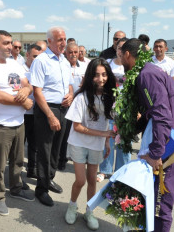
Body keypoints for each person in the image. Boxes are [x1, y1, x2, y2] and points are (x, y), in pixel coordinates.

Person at [120, 38, 174, 231]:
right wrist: (130, 128)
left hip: (171, 149)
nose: (120, 61)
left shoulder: (146, 75)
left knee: (161, 208)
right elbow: (153, 112)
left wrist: (156, 153)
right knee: (151, 203)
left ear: (127, 54)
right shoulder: (149, 71)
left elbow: (162, 114)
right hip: (170, 144)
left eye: (120, 55)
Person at [0, 30, 35, 216]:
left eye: (11, 43)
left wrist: (25, 92)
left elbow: (28, 84)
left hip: (19, 122)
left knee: (18, 161)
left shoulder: (14, 63)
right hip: (1, 124)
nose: (10, 47)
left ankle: (16, 188)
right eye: (5, 43)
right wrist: (23, 101)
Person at [64, 58, 116, 230]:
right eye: (96, 75)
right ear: (89, 76)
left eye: (104, 75)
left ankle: (89, 211)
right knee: (80, 180)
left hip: (97, 144)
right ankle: (72, 206)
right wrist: (103, 134)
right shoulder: (81, 97)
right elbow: (77, 126)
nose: (101, 79)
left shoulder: (110, 97)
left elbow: (108, 122)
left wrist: (107, 142)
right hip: (79, 143)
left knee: (92, 180)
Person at [30, 26, 74, 206]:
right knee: (45, 149)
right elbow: (37, 91)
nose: (63, 43)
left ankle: (49, 178)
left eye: (64, 39)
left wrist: (70, 94)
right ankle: (41, 189)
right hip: (47, 109)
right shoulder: (41, 61)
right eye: (59, 40)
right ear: (49, 41)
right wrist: (50, 115)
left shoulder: (63, 60)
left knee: (57, 147)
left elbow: (70, 85)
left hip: (64, 108)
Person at [97, 37, 131, 183]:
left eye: (123, 48)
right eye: (118, 48)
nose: (120, 51)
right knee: (108, 137)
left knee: (124, 140)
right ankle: (104, 170)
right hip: (110, 106)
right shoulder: (108, 64)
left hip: (126, 107)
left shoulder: (131, 66)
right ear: (115, 49)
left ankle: (122, 171)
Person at [59, 42, 86, 171]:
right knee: (63, 135)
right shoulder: (62, 66)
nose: (73, 55)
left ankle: (77, 158)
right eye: (70, 52)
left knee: (77, 133)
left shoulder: (85, 67)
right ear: (66, 53)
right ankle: (61, 160)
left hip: (79, 105)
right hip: (65, 104)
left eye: (76, 52)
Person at [22, 44, 43, 179]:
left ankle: (32, 169)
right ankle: (16, 175)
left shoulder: (40, 69)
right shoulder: (20, 70)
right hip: (22, 114)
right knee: (19, 147)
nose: (37, 60)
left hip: (37, 113)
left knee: (34, 144)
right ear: (27, 55)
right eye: (34, 56)